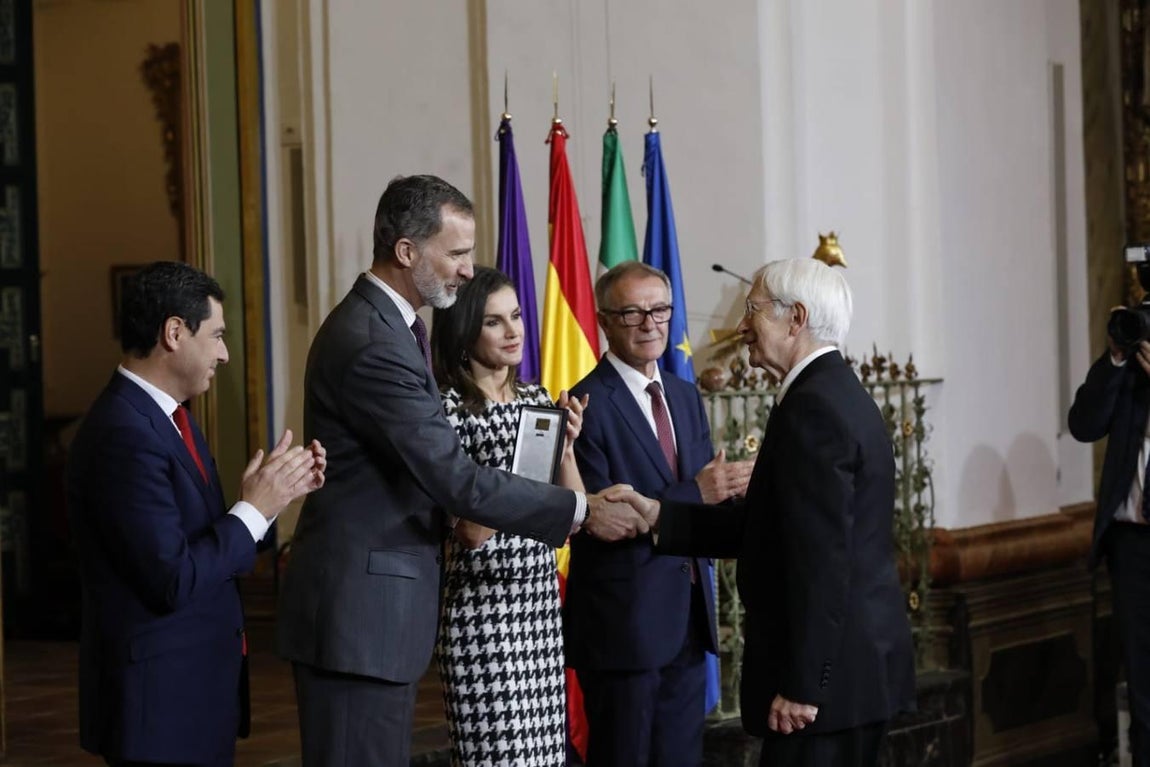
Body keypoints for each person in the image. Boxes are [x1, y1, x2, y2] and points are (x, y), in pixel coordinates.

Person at [275, 174, 652, 767]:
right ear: (406, 251)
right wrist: (581, 509)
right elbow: (453, 475)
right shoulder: (372, 338)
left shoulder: (396, 327)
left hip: (376, 616)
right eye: (455, 253)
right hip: (358, 617)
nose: (468, 269)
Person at [614, 258, 916, 767]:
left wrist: (803, 685)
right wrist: (661, 516)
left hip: (827, 688)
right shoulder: (827, 393)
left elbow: (824, 562)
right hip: (848, 677)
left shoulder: (815, 408)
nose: (741, 326)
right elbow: (773, 527)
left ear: (795, 318)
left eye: (751, 309)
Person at [68, 261, 326, 767]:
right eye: (217, 335)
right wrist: (254, 509)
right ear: (173, 332)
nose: (225, 353)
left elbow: (204, 545)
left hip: (190, 696)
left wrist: (273, 498)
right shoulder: (125, 433)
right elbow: (174, 577)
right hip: (159, 707)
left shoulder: (170, 417)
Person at [564, 261, 755, 765]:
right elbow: (608, 519)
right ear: (605, 320)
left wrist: (743, 487)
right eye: (633, 312)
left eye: (660, 309)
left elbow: (709, 497)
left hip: (690, 621)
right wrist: (697, 491)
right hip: (624, 628)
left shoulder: (686, 394)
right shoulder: (584, 404)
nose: (650, 323)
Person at [430, 266, 584, 765]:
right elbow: (471, 533)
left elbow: (572, 515)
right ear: (464, 330)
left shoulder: (538, 402)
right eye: (494, 321)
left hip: (537, 611)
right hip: (481, 617)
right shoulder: (446, 411)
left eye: (516, 316)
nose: (514, 330)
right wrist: (519, 483)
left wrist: (564, 451)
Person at [1068, 321, 1150, 766]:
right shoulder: (1129, 363)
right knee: (1141, 689)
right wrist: (1117, 357)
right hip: (1131, 543)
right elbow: (1083, 424)